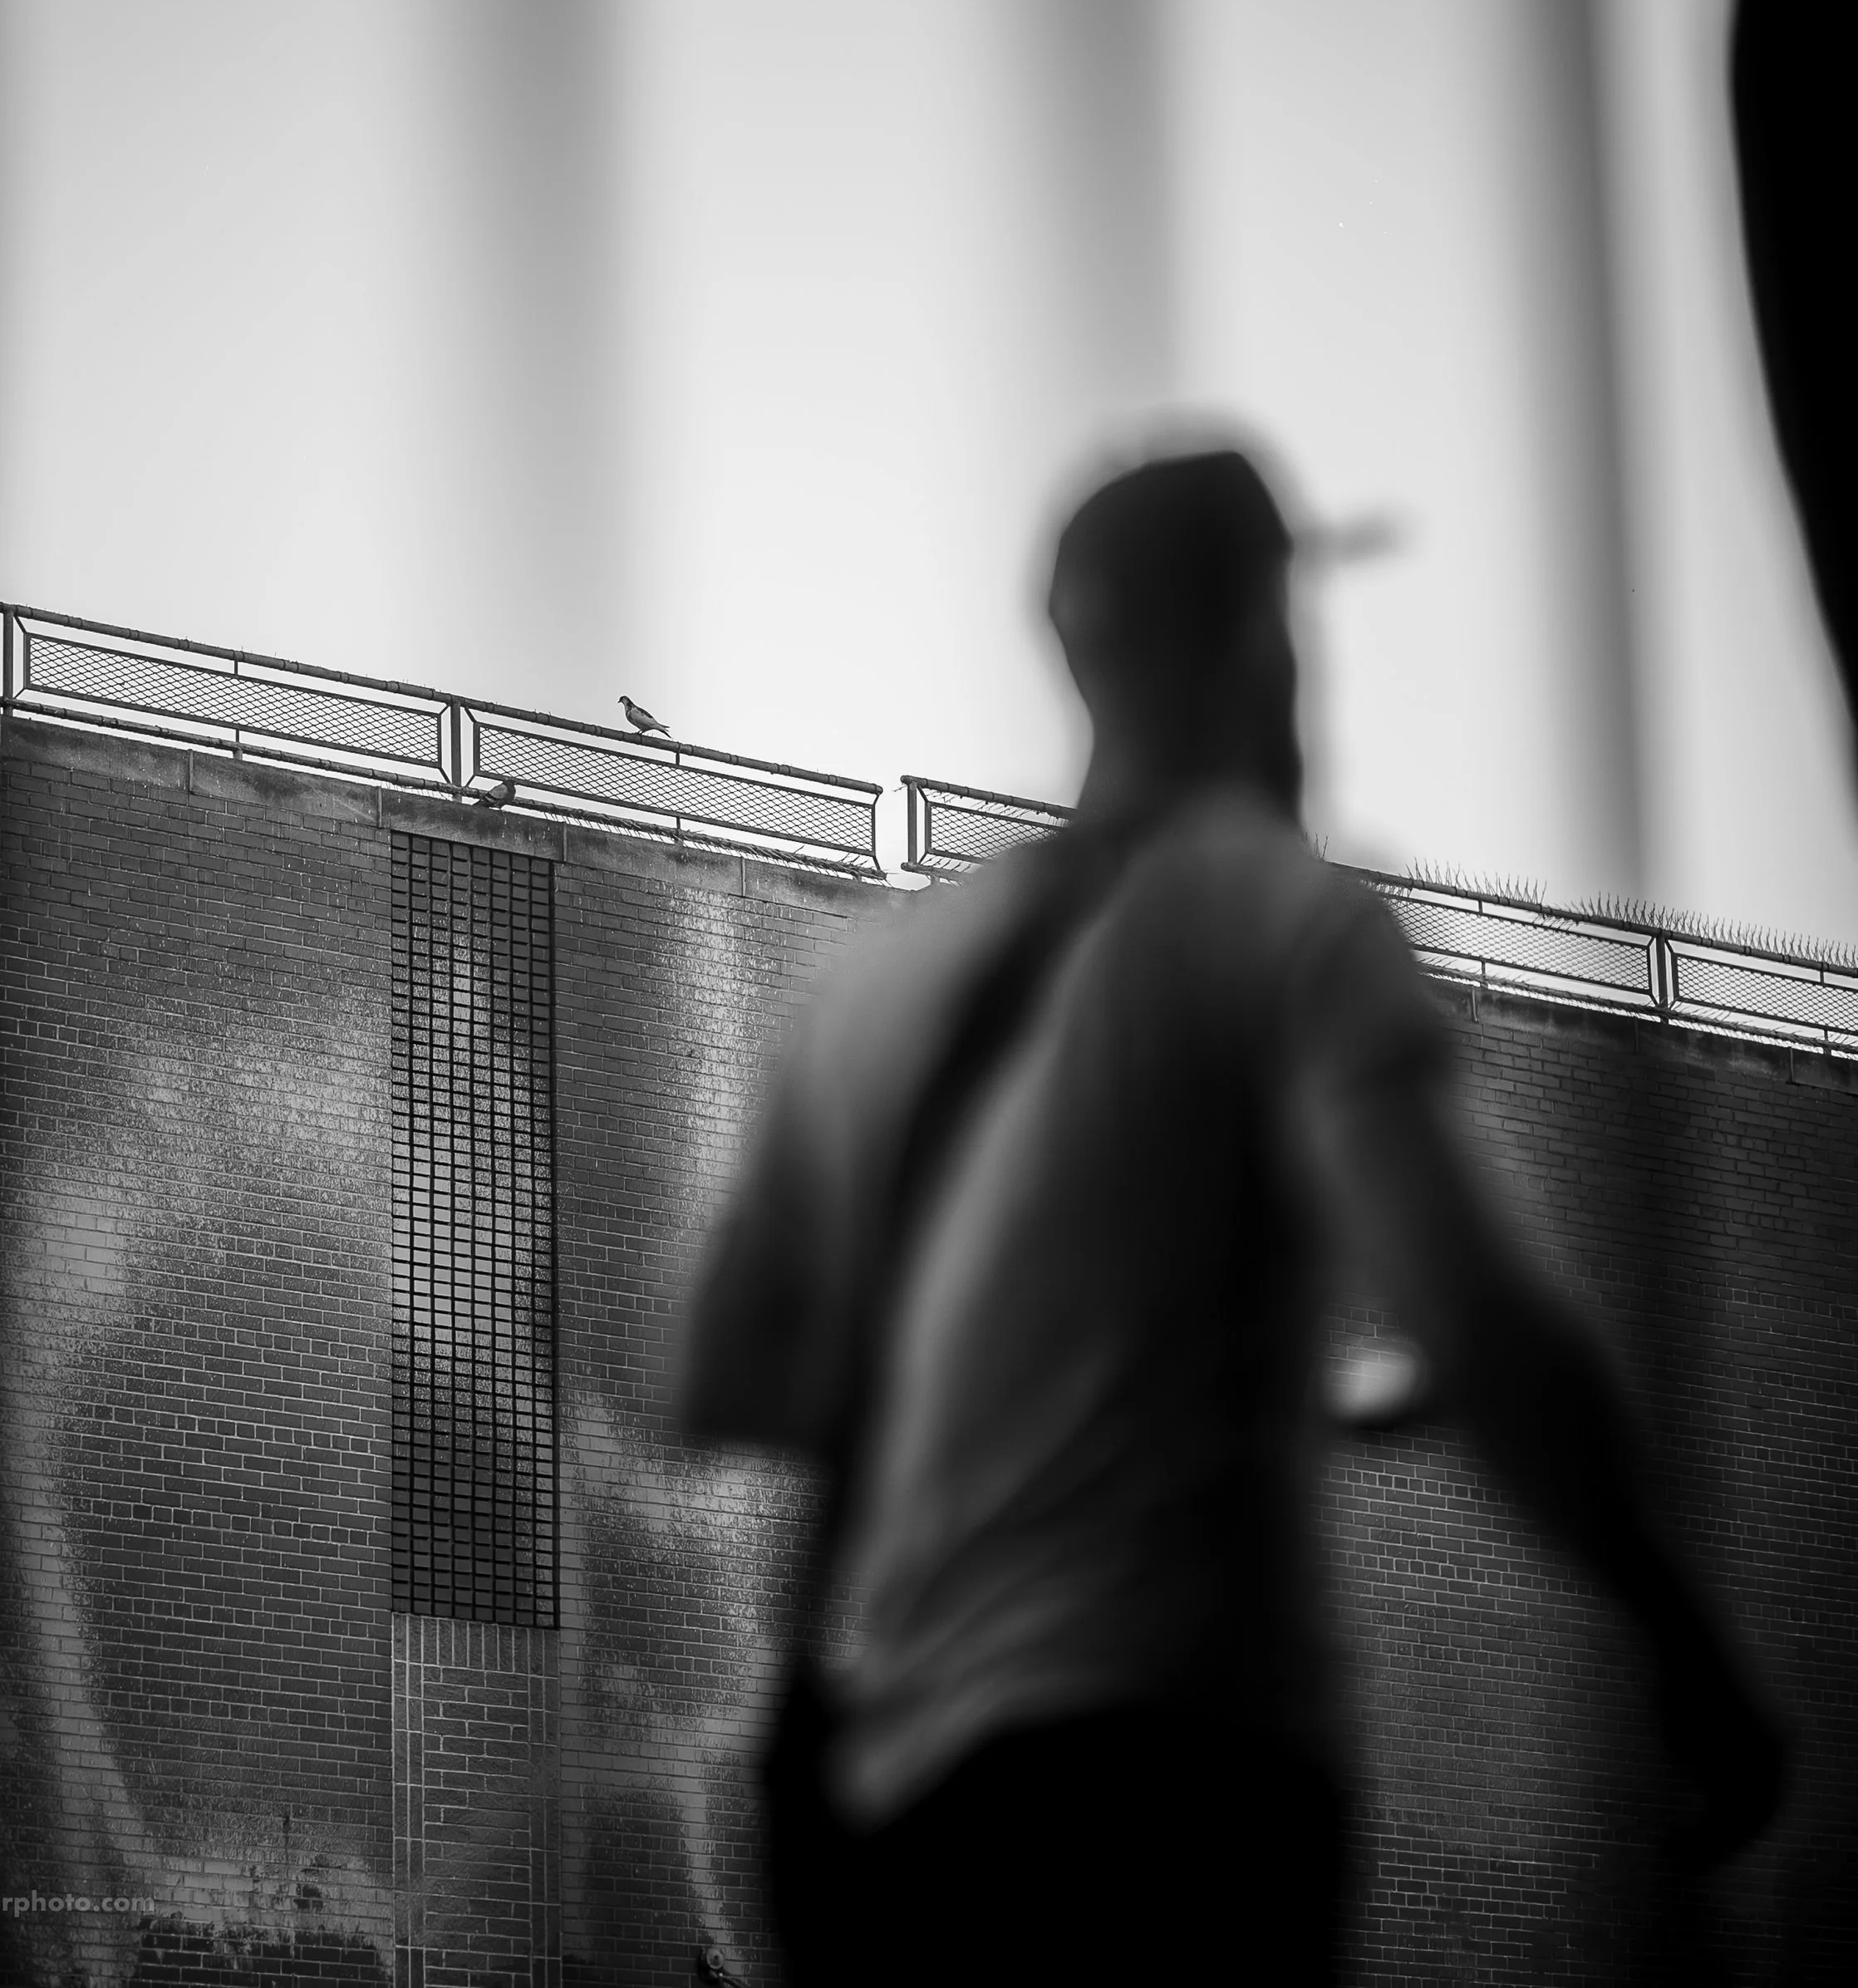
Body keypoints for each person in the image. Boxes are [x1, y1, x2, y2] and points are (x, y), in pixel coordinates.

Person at [674, 445, 1787, 1985]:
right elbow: (1484, 1318)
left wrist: (1149, 1377)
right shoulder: (1277, 911)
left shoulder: (880, 983)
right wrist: (1687, 1641)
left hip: (897, 1837)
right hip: (1174, 1798)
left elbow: (729, 1377)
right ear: (1264, 636)